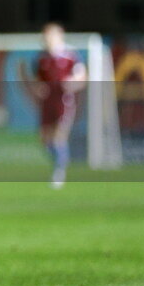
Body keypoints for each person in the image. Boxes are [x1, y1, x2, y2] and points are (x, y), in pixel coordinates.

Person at [29, 22, 87, 188]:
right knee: (44, 139)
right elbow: (37, 81)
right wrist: (38, 88)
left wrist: (71, 83)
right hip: (47, 103)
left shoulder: (70, 56)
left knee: (59, 136)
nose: (47, 39)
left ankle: (59, 171)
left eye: (50, 36)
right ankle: (59, 162)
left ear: (59, 36)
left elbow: (82, 77)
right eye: (45, 36)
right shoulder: (41, 58)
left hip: (64, 102)